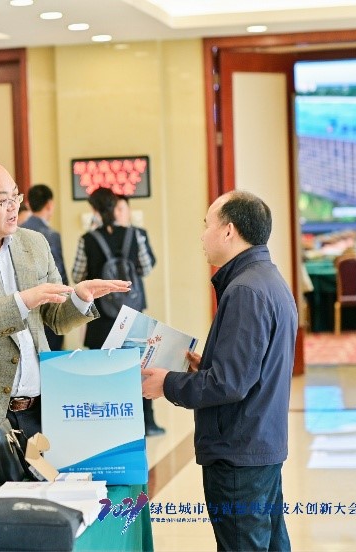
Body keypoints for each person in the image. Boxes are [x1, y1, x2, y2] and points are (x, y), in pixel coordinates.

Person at [141, 191, 297, 551]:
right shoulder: (267, 279)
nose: (202, 235)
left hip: (238, 452)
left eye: (206, 224)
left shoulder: (244, 290)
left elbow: (230, 383)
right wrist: (207, 365)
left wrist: (168, 383)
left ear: (228, 231)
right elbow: (251, 368)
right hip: (260, 442)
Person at [0, 160, 131, 440]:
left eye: (16, 197)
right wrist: (22, 302)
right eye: (3, 201)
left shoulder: (34, 243)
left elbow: (55, 319)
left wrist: (79, 298)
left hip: (41, 408)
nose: (14, 207)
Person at [72, 190, 161, 435]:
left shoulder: (87, 239)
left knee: (102, 369)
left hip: (101, 315)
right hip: (132, 313)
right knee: (139, 366)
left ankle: (107, 425)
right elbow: (145, 267)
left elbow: (78, 275)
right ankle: (146, 422)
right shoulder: (134, 234)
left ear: (95, 210)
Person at [114, 194, 162, 435]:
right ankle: (135, 422)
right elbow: (146, 267)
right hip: (124, 309)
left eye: (121, 208)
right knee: (131, 364)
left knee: (141, 363)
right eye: (115, 209)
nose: (118, 213)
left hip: (124, 310)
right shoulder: (131, 235)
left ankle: (145, 420)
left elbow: (147, 265)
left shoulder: (136, 234)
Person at [20, 183, 69, 351]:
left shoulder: (17, 232)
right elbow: (59, 273)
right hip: (49, 305)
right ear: (49, 205)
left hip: (24, 306)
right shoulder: (51, 235)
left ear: (28, 204)